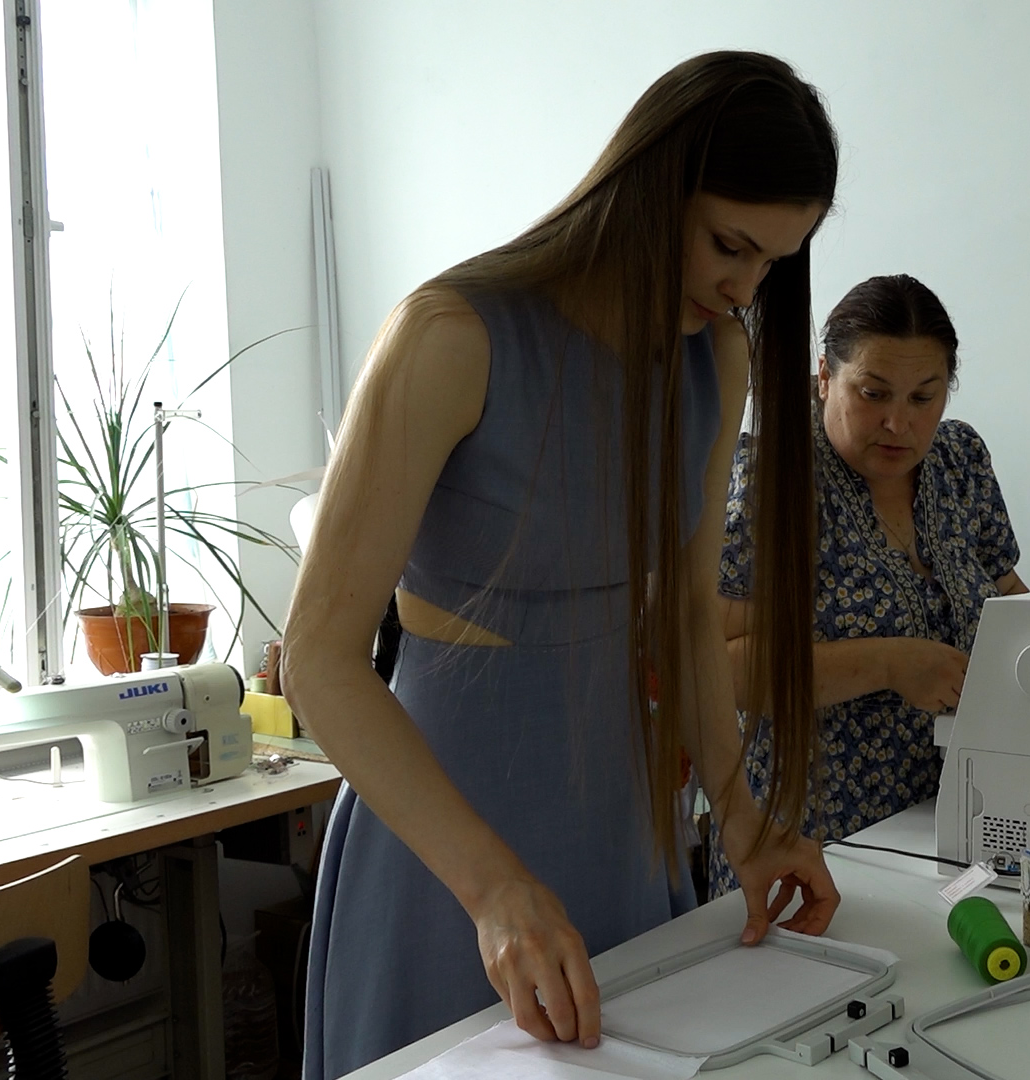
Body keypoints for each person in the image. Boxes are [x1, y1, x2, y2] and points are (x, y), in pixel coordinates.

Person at [282, 52, 841, 1080]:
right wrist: (494, 890)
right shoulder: (451, 335)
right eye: (729, 245)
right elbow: (318, 661)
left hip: (621, 831)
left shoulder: (713, 356)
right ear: (649, 186)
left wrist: (742, 811)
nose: (743, 287)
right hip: (449, 848)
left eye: (771, 263)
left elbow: (687, 614)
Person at [707, 274, 1027, 895]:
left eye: (923, 397)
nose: (897, 423)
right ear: (825, 376)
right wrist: (888, 663)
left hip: (951, 821)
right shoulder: (772, 480)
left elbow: (1011, 598)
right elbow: (721, 671)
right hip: (808, 840)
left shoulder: (959, 460)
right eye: (873, 393)